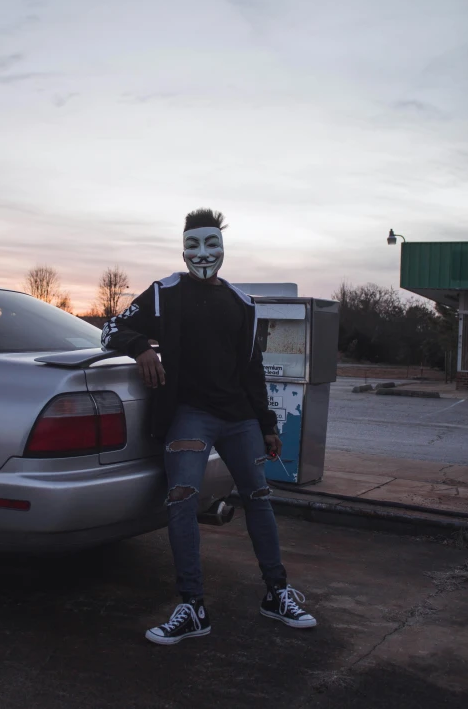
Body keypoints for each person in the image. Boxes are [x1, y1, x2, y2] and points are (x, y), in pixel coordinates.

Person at [102, 208, 316, 645]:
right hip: (190, 416)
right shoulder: (164, 292)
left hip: (240, 419)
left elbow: (253, 369)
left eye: (211, 244)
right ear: (183, 247)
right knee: (182, 502)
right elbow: (110, 330)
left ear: (223, 247)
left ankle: (277, 593)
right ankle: (192, 607)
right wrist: (141, 347)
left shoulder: (241, 302)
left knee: (259, 499)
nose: (203, 254)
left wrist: (268, 424)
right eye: (193, 245)